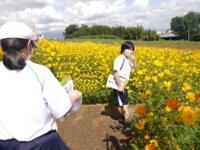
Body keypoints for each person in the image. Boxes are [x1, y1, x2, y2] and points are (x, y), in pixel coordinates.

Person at [0, 21, 82, 150]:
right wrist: (75, 97)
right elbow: (62, 111)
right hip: (43, 144)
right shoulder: (40, 71)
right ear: (28, 45)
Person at [113, 41, 138, 130]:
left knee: (122, 103)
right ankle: (128, 123)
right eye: (128, 49)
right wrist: (119, 86)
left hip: (125, 84)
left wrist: (134, 60)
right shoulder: (119, 59)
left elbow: (135, 70)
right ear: (123, 49)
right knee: (125, 104)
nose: (130, 51)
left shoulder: (127, 60)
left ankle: (122, 117)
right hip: (120, 84)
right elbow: (115, 72)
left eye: (132, 49)